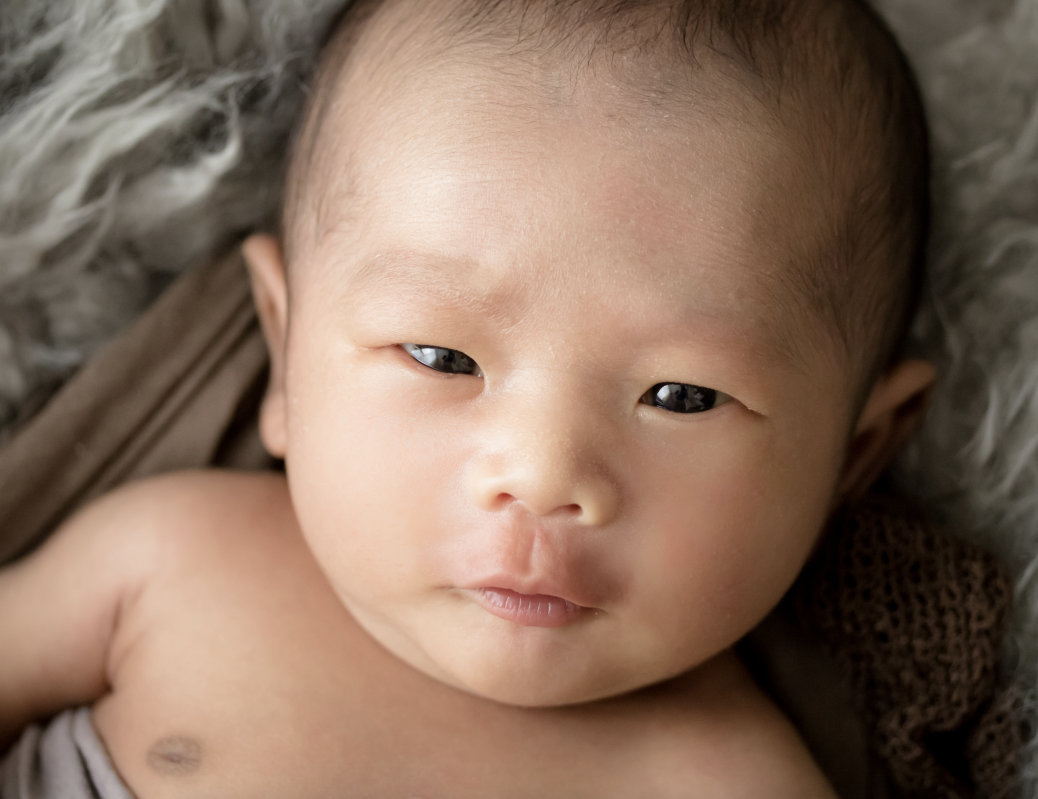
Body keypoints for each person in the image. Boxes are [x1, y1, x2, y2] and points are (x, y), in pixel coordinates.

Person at [0, 0, 940, 795]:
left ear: (854, 454)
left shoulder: (726, 777)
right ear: (287, 358)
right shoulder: (171, 558)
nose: (540, 473)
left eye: (682, 394)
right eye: (442, 356)